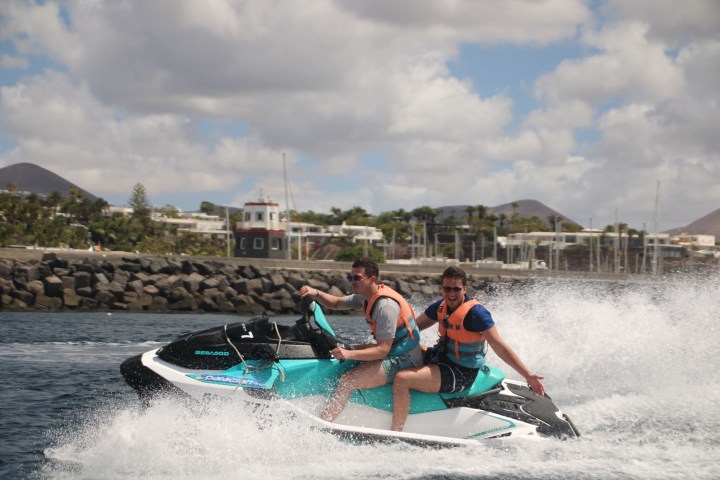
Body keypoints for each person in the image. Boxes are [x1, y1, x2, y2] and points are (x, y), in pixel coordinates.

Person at [390, 266, 545, 432]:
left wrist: (527, 375)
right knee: (405, 348)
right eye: (447, 288)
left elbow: (499, 346)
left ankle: (395, 432)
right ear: (441, 288)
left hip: (461, 372)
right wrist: (383, 342)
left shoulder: (476, 314)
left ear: (465, 289)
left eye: (456, 289)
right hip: (441, 359)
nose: (451, 293)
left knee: (402, 379)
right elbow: (411, 330)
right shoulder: (440, 307)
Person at [299, 258, 423, 422]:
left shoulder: (385, 306)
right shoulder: (365, 297)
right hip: (392, 350)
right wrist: (316, 293)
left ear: (372, 279)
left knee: (347, 381)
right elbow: (336, 303)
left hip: (404, 358)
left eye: (357, 278)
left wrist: (348, 354)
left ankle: (323, 423)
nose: (352, 282)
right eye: (350, 278)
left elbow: (382, 350)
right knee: (344, 347)